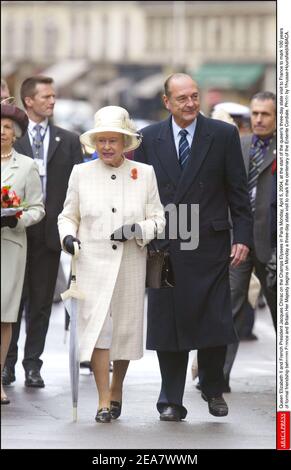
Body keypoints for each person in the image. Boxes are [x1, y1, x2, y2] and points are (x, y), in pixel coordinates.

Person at [134, 73, 253, 421]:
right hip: (166, 244)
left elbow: (238, 193)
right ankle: (170, 398)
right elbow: (142, 193)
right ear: (167, 102)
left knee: (214, 321)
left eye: (194, 96)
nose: (190, 104)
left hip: (210, 244)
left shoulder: (223, 134)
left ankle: (212, 387)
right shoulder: (149, 138)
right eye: (182, 98)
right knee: (167, 324)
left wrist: (242, 236)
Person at [58, 105, 165, 423]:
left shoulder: (144, 173)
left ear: (124, 142)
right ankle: (104, 399)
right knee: (98, 332)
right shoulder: (81, 172)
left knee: (124, 333)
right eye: (101, 140)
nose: (106, 147)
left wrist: (139, 229)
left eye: (113, 141)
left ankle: (117, 387)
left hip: (131, 264)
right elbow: (68, 215)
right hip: (91, 263)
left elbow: (159, 219)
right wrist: (67, 237)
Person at [2, 76, 83, 388]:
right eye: (46, 96)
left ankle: (33, 365)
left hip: (49, 234)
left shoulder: (69, 140)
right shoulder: (11, 138)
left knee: (40, 304)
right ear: (28, 101)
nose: (52, 101)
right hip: (14, 233)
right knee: (11, 301)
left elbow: (77, 188)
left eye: (54, 96)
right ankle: (6, 364)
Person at [224, 91, 277, 389]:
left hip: (273, 246)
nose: (258, 119)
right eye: (255, 113)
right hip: (239, 244)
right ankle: (218, 378)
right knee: (229, 308)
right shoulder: (239, 146)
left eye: (265, 114)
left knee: (280, 311)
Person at [1, 103, 45, 404]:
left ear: (15, 134)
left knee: (4, 317)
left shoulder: (27, 165)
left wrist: (18, 218)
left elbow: (37, 208)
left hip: (10, 245)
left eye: (6, 127)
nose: (1, 132)